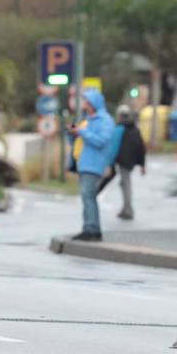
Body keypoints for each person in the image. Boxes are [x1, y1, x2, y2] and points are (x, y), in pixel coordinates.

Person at [70, 88, 115, 241]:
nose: (85, 106)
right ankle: (90, 227)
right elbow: (80, 140)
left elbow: (102, 141)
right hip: (85, 163)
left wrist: (82, 132)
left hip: (94, 164)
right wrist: (74, 133)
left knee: (88, 196)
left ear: (95, 104)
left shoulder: (104, 121)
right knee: (87, 197)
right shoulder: (88, 120)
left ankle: (91, 229)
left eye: (87, 103)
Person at [111, 104, 146, 220]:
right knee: (124, 183)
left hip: (123, 160)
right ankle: (126, 208)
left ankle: (128, 209)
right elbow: (141, 147)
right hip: (131, 160)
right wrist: (142, 164)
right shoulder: (135, 129)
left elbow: (114, 144)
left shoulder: (120, 128)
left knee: (126, 184)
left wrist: (111, 160)